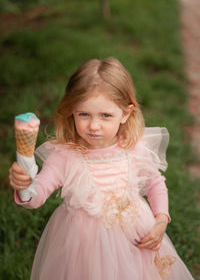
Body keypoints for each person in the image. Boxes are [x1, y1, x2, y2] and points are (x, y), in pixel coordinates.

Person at [9, 58, 194, 280]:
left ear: (125, 113)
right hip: (84, 248)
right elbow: (36, 197)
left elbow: (155, 183)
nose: (94, 126)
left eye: (105, 116)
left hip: (135, 241)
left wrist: (161, 220)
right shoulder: (65, 156)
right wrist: (26, 185)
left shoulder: (134, 149)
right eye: (84, 114)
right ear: (72, 112)